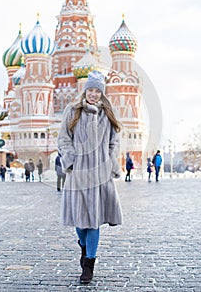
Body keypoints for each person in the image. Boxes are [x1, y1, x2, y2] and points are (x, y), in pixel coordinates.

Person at [57, 70, 123, 284]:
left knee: (93, 221)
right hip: (78, 173)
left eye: (97, 91)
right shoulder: (73, 110)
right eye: (91, 90)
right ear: (85, 91)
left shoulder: (108, 113)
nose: (94, 94)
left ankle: (89, 264)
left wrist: (110, 162)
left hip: (100, 174)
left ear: (102, 93)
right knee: (80, 221)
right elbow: (64, 138)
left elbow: (115, 142)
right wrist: (72, 160)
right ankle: (84, 246)